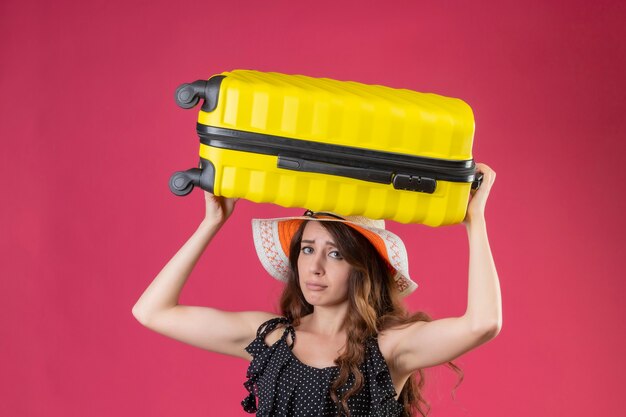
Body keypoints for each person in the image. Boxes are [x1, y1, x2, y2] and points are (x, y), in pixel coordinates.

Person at [132, 163, 501, 417]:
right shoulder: (272, 339)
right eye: (308, 249)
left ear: (363, 266)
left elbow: (482, 324)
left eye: (335, 253)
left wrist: (475, 221)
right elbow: (152, 312)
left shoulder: (390, 348)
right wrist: (212, 222)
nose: (315, 266)